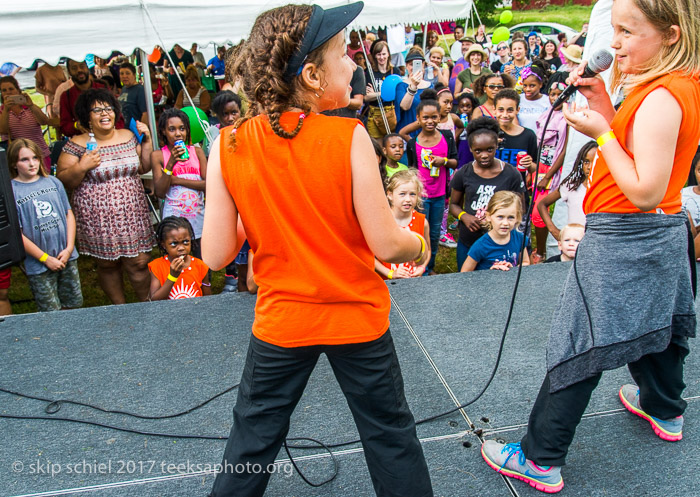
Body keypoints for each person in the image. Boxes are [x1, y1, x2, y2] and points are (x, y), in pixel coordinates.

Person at [202, 4, 433, 496]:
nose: (353, 63)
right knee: (389, 435)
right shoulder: (347, 135)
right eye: (344, 53)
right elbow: (387, 242)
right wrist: (420, 241)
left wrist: (262, 205)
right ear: (311, 74)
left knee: (252, 438)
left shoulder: (228, 145)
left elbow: (218, 254)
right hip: (356, 318)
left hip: (282, 320)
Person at [481, 0, 700, 493]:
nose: (613, 42)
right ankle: (664, 407)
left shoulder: (662, 96)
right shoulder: (676, 84)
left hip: (627, 231)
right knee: (659, 323)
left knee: (580, 342)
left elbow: (643, 188)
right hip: (660, 231)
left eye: (628, 31)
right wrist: (605, 106)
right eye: (614, 30)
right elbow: (642, 146)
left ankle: (539, 458)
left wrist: (601, 134)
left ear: (671, 33)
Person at [57, 88, 155, 305]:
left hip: (132, 213)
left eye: (108, 108)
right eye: (97, 110)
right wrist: (82, 166)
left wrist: (146, 141)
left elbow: (142, 167)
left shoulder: (129, 137)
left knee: (139, 261)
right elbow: (64, 180)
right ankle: (119, 307)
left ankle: (147, 304)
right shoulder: (77, 144)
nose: (105, 113)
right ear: (87, 116)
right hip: (98, 217)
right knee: (108, 264)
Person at [10, 139, 82, 312]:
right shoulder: (12, 191)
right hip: (39, 264)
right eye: (24, 159)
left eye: (35, 158)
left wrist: (69, 248)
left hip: (66, 256)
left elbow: (68, 214)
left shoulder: (53, 182)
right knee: (50, 311)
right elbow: (18, 233)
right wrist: (44, 258)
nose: (32, 163)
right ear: (14, 163)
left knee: (74, 305)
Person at [450, 117, 526, 270]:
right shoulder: (463, 173)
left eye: (489, 149)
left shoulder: (511, 174)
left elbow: (521, 207)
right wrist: (464, 216)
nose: (484, 155)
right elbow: (453, 205)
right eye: (478, 151)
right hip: (470, 240)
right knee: (465, 280)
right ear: (471, 149)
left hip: (501, 242)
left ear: (497, 145)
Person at [405, 96, 458, 274]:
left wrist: (443, 161)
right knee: (419, 232)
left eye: (434, 117)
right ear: (418, 119)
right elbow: (413, 168)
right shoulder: (413, 143)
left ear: (439, 117)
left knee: (434, 233)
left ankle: (430, 267)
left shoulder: (447, 137)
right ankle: (417, 265)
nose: (430, 121)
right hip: (421, 197)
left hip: (439, 195)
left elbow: (455, 162)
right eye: (425, 117)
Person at [152, 108, 207, 256]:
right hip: (173, 222)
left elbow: (208, 185)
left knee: (199, 262)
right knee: (176, 263)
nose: (178, 134)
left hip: (197, 219)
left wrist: (175, 180)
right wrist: (170, 163)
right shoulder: (158, 156)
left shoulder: (197, 152)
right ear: (163, 131)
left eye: (182, 128)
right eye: (172, 129)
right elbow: (160, 192)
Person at [531, 72, 569, 262]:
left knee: (540, 211)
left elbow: (564, 151)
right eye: (552, 94)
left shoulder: (567, 119)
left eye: (560, 94)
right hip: (541, 168)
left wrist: (548, 175)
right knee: (535, 213)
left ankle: (543, 251)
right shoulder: (547, 114)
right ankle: (540, 247)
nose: (556, 98)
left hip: (555, 171)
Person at [537, 140, 597, 242]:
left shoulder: (608, 188)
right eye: (586, 161)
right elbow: (542, 204)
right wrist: (554, 231)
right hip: (573, 245)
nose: (589, 167)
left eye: (595, 161)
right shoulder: (571, 185)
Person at [375, 169, 430, 279]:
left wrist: (422, 267)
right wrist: (390, 273)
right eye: (402, 194)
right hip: (387, 282)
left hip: (412, 280)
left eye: (412, 194)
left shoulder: (422, 222)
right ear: (390, 195)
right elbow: (369, 256)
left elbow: (427, 250)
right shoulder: (381, 221)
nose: (408, 199)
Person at [460, 190, 529, 271]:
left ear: (517, 218)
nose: (505, 223)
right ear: (488, 216)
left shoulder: (519, 238)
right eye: (500, 217)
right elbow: (464, 273)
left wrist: (513, 270)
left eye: (511, 217)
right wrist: (491, 273)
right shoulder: (480, 246)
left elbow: (525, 262)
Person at [148, 216, 211, 300]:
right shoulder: (157, 267)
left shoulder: (200, 265)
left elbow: (208, 299)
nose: (181, 248)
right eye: (174, 244)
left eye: (185, 242)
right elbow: (154, 299)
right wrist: (172, 276)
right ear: (163, 245)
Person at [0, 76, 53, 171]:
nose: (8, 92)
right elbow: (2, 131)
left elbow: (44, 121)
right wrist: (6, 110)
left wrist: (31, 105)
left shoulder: (29, 108)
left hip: (40, 154)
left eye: (11, 89)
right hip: (17, 159)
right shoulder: (2, 112)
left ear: (18, 90)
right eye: (4, 90)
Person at [60, 59, 114, 137]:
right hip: (83, 142)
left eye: (82, 66)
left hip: (107, 139)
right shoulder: (66, 96)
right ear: (69, 72)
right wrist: (76, 125)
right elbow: (64, 127)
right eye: (74, 68)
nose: (79, 70)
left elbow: (118, 118)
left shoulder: (103, 88)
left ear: (87, 67)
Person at [494, 89, 538, 181]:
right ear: (494, 110)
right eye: (501, 110)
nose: (505, 115)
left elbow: (535, 168)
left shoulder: (528, 135)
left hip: (517, 188)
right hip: (492, 187)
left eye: (510, 110)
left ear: (517, 110)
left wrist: (529, 164)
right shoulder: (489, 133)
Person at [364, 41, 401, 139]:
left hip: (391, 111)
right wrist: (386, 93)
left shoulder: (395, 71)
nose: (381, 57)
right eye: (378, 54)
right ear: (375, 56)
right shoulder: (370, 72)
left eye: (384, 54)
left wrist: (375, 94)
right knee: (377, 146)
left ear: (388, 54)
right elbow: (367, 97)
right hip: (374, 112)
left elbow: (397, 94)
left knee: (391, 143)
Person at [395, 49, 432, 139]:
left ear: (423, 65)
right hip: (406, 134)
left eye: (417, 64)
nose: (414, 67)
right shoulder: (401, 86)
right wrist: (413, 86)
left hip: (426, 135)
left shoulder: (430, 86)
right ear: (407, 66)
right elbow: (405, 106)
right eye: (411, 64)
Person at [517, 61, 551, 134]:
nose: (528, 89)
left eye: (532, 86)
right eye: (525, 85)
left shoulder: (547, 101)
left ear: (540, 84)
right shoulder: (518, 100)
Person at [456, 93, 479, 168]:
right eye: (462, 106)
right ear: (458, 108)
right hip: (459, 154)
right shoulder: (455, 122)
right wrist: (459, 130)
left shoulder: (475, 122)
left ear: (472, 107)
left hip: (471, 155)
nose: (465, 109)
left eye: (468, 106)